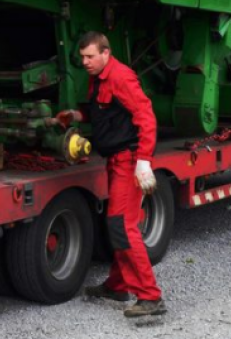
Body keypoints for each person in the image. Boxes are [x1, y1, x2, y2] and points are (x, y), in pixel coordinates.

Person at [59, 31, 166, 318]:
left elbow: (146, 116)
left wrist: (144, 161)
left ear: (106, 53)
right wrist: (76, 115)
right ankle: (117, 286)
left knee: (122, 225)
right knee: (116, 223)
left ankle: (151, 297)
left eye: (90, 56)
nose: (85, 62)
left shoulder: (120, 77)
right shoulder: (98, 78)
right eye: (82, 57)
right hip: (115, 161)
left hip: (128, 163)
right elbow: (103, 114)